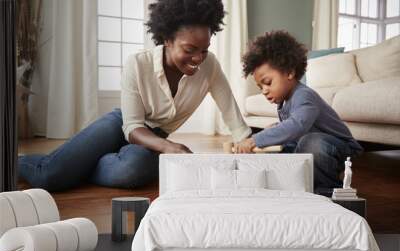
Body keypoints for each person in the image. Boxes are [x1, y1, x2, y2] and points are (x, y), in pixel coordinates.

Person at [18, 0, 251, 191]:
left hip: (154, 137)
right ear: (167, 39)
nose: (199, 58)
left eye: (204, 49)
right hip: (121, 125)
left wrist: (250, 143)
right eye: (189, 49)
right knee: (48, 177)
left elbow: (232, 113)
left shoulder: (209, 67)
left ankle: (76, 169)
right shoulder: (138, 64)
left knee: (134, 170)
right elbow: (132, 127)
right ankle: (16, 162)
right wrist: (169, 147)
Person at [235, 30, 363, 196]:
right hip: (308, 144)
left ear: (289, 72)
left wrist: (255, 140)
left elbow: (297, 125)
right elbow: (290, 130)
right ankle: (288, 186)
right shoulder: (283, 102)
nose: (264, 91)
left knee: (312, 143)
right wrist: (271, 132)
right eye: (260, 87)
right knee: (279, 151)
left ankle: (326, 192)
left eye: (267, 83)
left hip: (340, 148)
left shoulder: (304, 95)